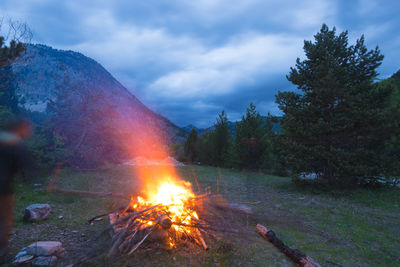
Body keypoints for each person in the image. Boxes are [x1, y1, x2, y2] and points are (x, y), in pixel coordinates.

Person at [0, 117, 32, 263]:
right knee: (5, 221)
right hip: (3, 189)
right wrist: (31, 181)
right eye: (27, 129)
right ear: (20, 128)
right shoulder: (16, 144)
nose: (28, 132)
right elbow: (26, 168)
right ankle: (1, 253)